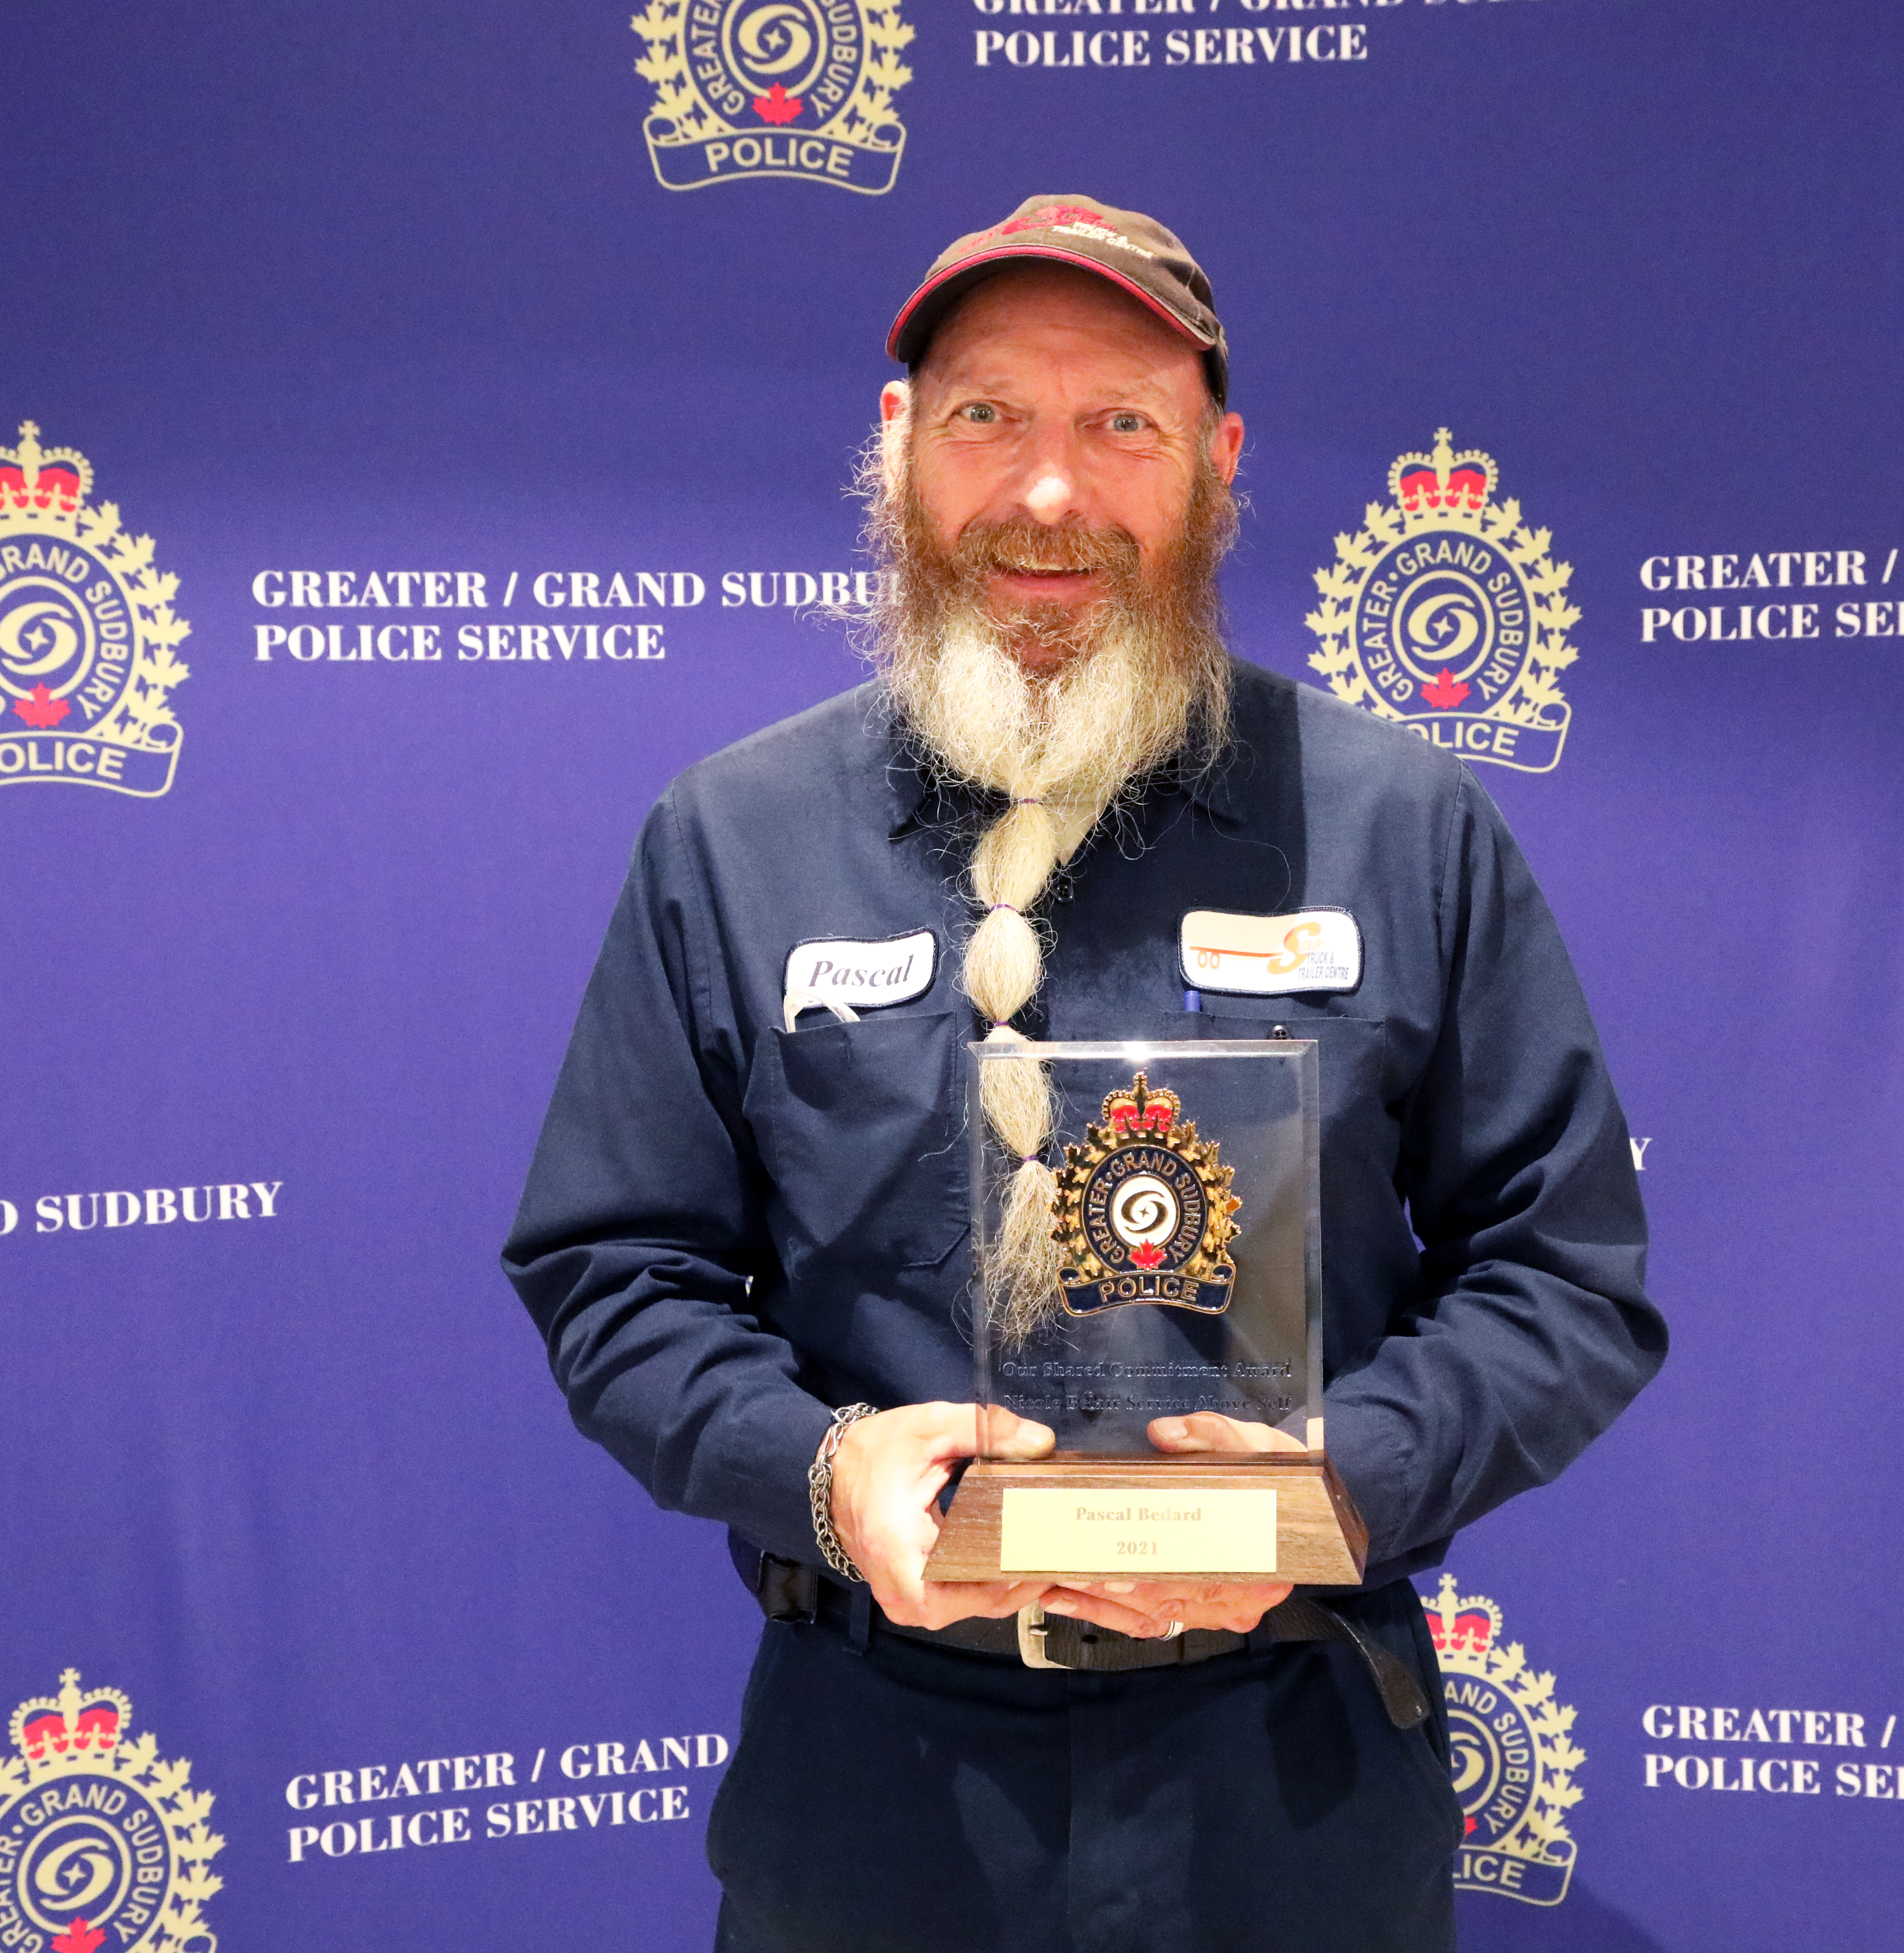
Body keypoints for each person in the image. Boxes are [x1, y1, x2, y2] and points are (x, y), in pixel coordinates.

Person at [504, 194, 1663, 1952]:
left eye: (1121, 421)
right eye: (989, 416)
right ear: (900, 448)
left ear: (1217, 462)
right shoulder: (731, 841)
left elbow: (1566, 1274)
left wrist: (1342, 1479)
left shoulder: (1399, 825)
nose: (1050, 492)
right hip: (878, 1802)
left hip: (1289, 1795)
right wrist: (821, 1471)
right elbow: (614, 1277)